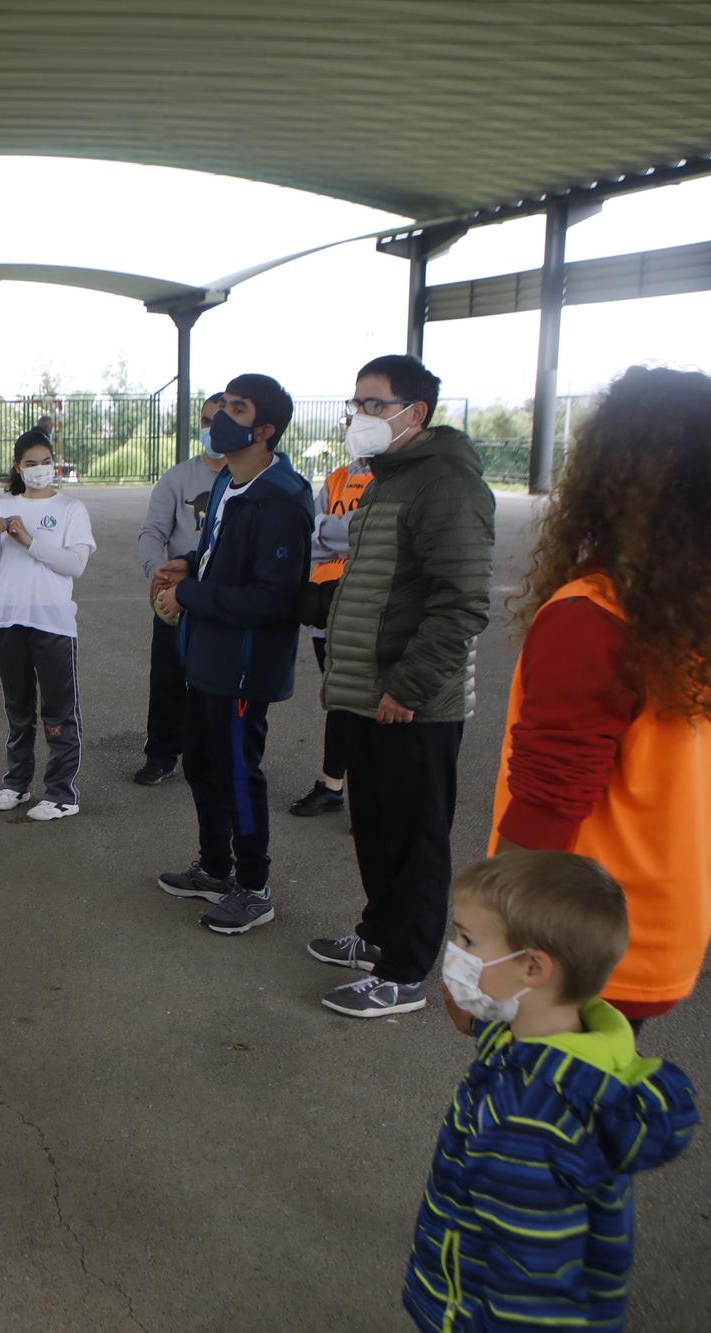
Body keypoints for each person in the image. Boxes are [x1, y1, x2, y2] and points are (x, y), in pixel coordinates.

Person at [487, 366, 711, 1029]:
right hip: (658, 938)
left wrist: (490, 956)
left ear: (610, 473)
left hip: (566, 957)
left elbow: (546, 811)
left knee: (525, 1129)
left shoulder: (596, 617)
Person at [404, 852, 697, 1332]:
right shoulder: (574, 1042)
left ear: (533, 969)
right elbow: (488, 1030)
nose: (452, 953)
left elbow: (532, 1285)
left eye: (466, 939)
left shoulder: (526, 1124)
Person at [310, 354, 494, 1019]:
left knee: (416, 837)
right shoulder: (387, 478)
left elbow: (463, 601)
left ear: (414, 413)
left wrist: (409, 686)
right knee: (378, 826)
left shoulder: (446, 483)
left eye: (373, 404)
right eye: (355, 403)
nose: (359, 415)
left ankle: (406, 969)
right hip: (368, 689)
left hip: (413, 701)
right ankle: (377, 934)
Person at [150, 373, 311, 935]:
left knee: (239, 774)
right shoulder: (228, 483)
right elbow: (219, 550)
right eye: (221, 403)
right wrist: (188, 565)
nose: (220, 414)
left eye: (236, 409)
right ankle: (216, 867)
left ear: (264, 430)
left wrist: (188, 593)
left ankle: (255, 886)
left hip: (245, 667)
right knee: (202, 763)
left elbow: (273, 597)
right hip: (208, 655)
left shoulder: (282, 498)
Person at [0, 430, 96, 822]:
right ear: (18, 467)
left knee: (59, 710)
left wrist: (28, 539)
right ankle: (17, 782)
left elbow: (74, 564)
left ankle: (62, 792)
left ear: (54, 463)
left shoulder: (71, 509)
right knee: (18, 707)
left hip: (52, 621)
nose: (40, 469)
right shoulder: (3, 504)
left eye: (46, 461)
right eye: (31, 463)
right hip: (6, 618)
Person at [133, 392, 226, 786]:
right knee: (169, 677)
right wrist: (160, 576)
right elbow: (152, 533)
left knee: (221, 681)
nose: (211, 430)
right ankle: (162, 753)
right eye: (205, 422)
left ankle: (216, 754)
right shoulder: (177, 479)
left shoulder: (247, 482)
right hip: (175, 597)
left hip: (222, 598)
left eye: (219, 421)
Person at [288, 447, 374, 817]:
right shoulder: (339, 476)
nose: (355, 422)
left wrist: (330, 532)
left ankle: (368, 801)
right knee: (339, 697)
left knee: (363, 704)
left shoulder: (388, 481)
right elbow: (312, 534)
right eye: (353, 412)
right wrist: (336, 534)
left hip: (363, 604)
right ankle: (332, 785)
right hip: (323, 603)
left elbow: (371, 536)